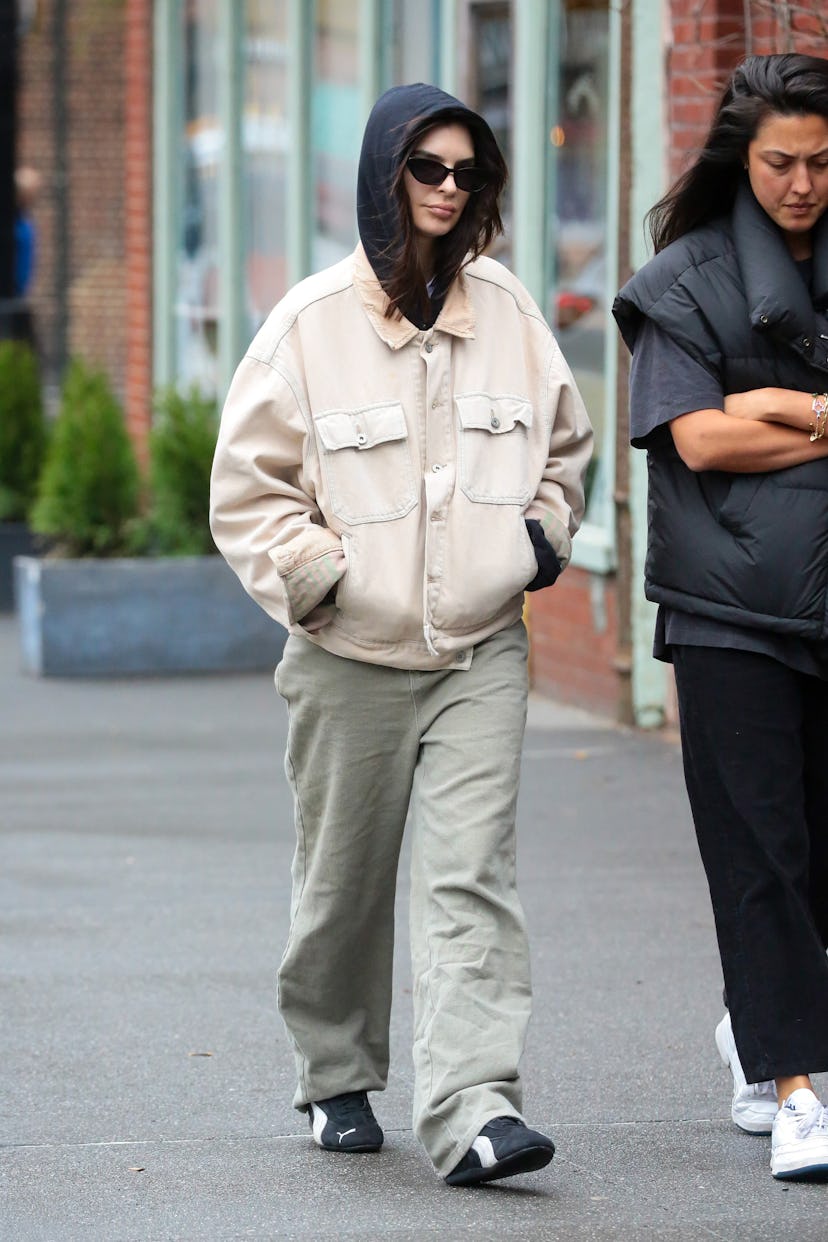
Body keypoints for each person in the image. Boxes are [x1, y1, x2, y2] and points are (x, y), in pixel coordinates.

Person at [210, 83, 592, 1186]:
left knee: (471, 874)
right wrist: (319, 582)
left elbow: (565, 450)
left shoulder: (512, 314)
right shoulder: (308, 327)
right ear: (387, 175)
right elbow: (248, 492)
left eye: (467, 172)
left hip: (481, 649)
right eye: (427, 168)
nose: (447, 189)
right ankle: (335, 1072)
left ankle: (475, 1107)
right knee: (344, 884)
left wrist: (542, 537)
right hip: (347, 659)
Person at [613, 53, 828, 1181]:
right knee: (762, 851)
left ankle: (761, 1022)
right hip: (729, 610)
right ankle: (798, 1086)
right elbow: (697, 439)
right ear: (741, 160)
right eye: (782, 161)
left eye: (823, 162)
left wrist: (784, 406)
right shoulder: (683, 281)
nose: (802, 182)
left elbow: (742, 424)